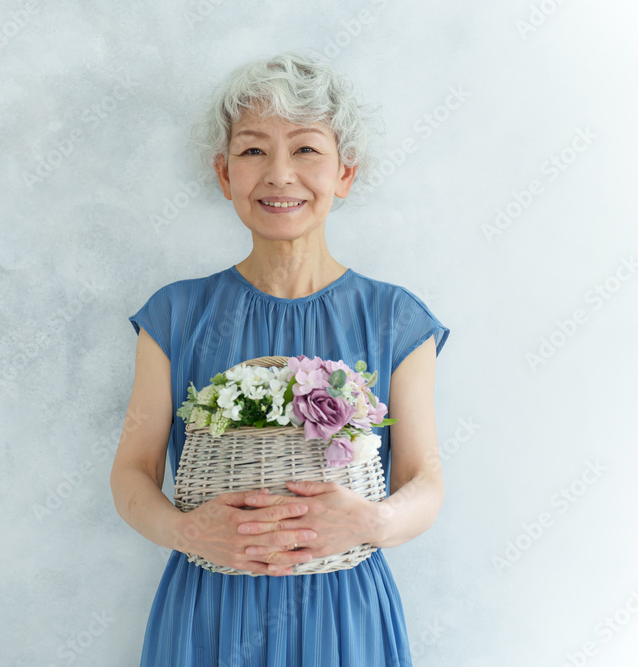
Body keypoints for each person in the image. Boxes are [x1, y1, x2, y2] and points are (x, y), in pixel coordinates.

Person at [109, 52, 451, 666]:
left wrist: (370, 524)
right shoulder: (175, 315)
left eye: (306, 149)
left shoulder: (395, 319)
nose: (279, 174)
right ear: (224, 174)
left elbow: (424, 482)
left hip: (344, 611)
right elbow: (131, 473)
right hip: (209, 607)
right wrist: (187, 531)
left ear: (346, 173)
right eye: (253, 151)